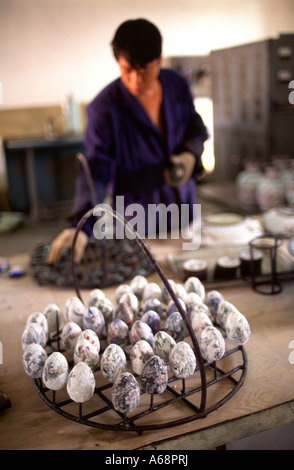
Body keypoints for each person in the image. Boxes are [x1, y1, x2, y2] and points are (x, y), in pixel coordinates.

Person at [48, 18, 208, 264]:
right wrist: (81, 225)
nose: (135, 80)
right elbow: (96, 171)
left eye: (143, 71)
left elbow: (195, 126)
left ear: (159, 60)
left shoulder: (177, 85)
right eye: (126, 70)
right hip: (138, 223)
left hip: (184, 211)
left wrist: (189, 153)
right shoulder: (104, 108)